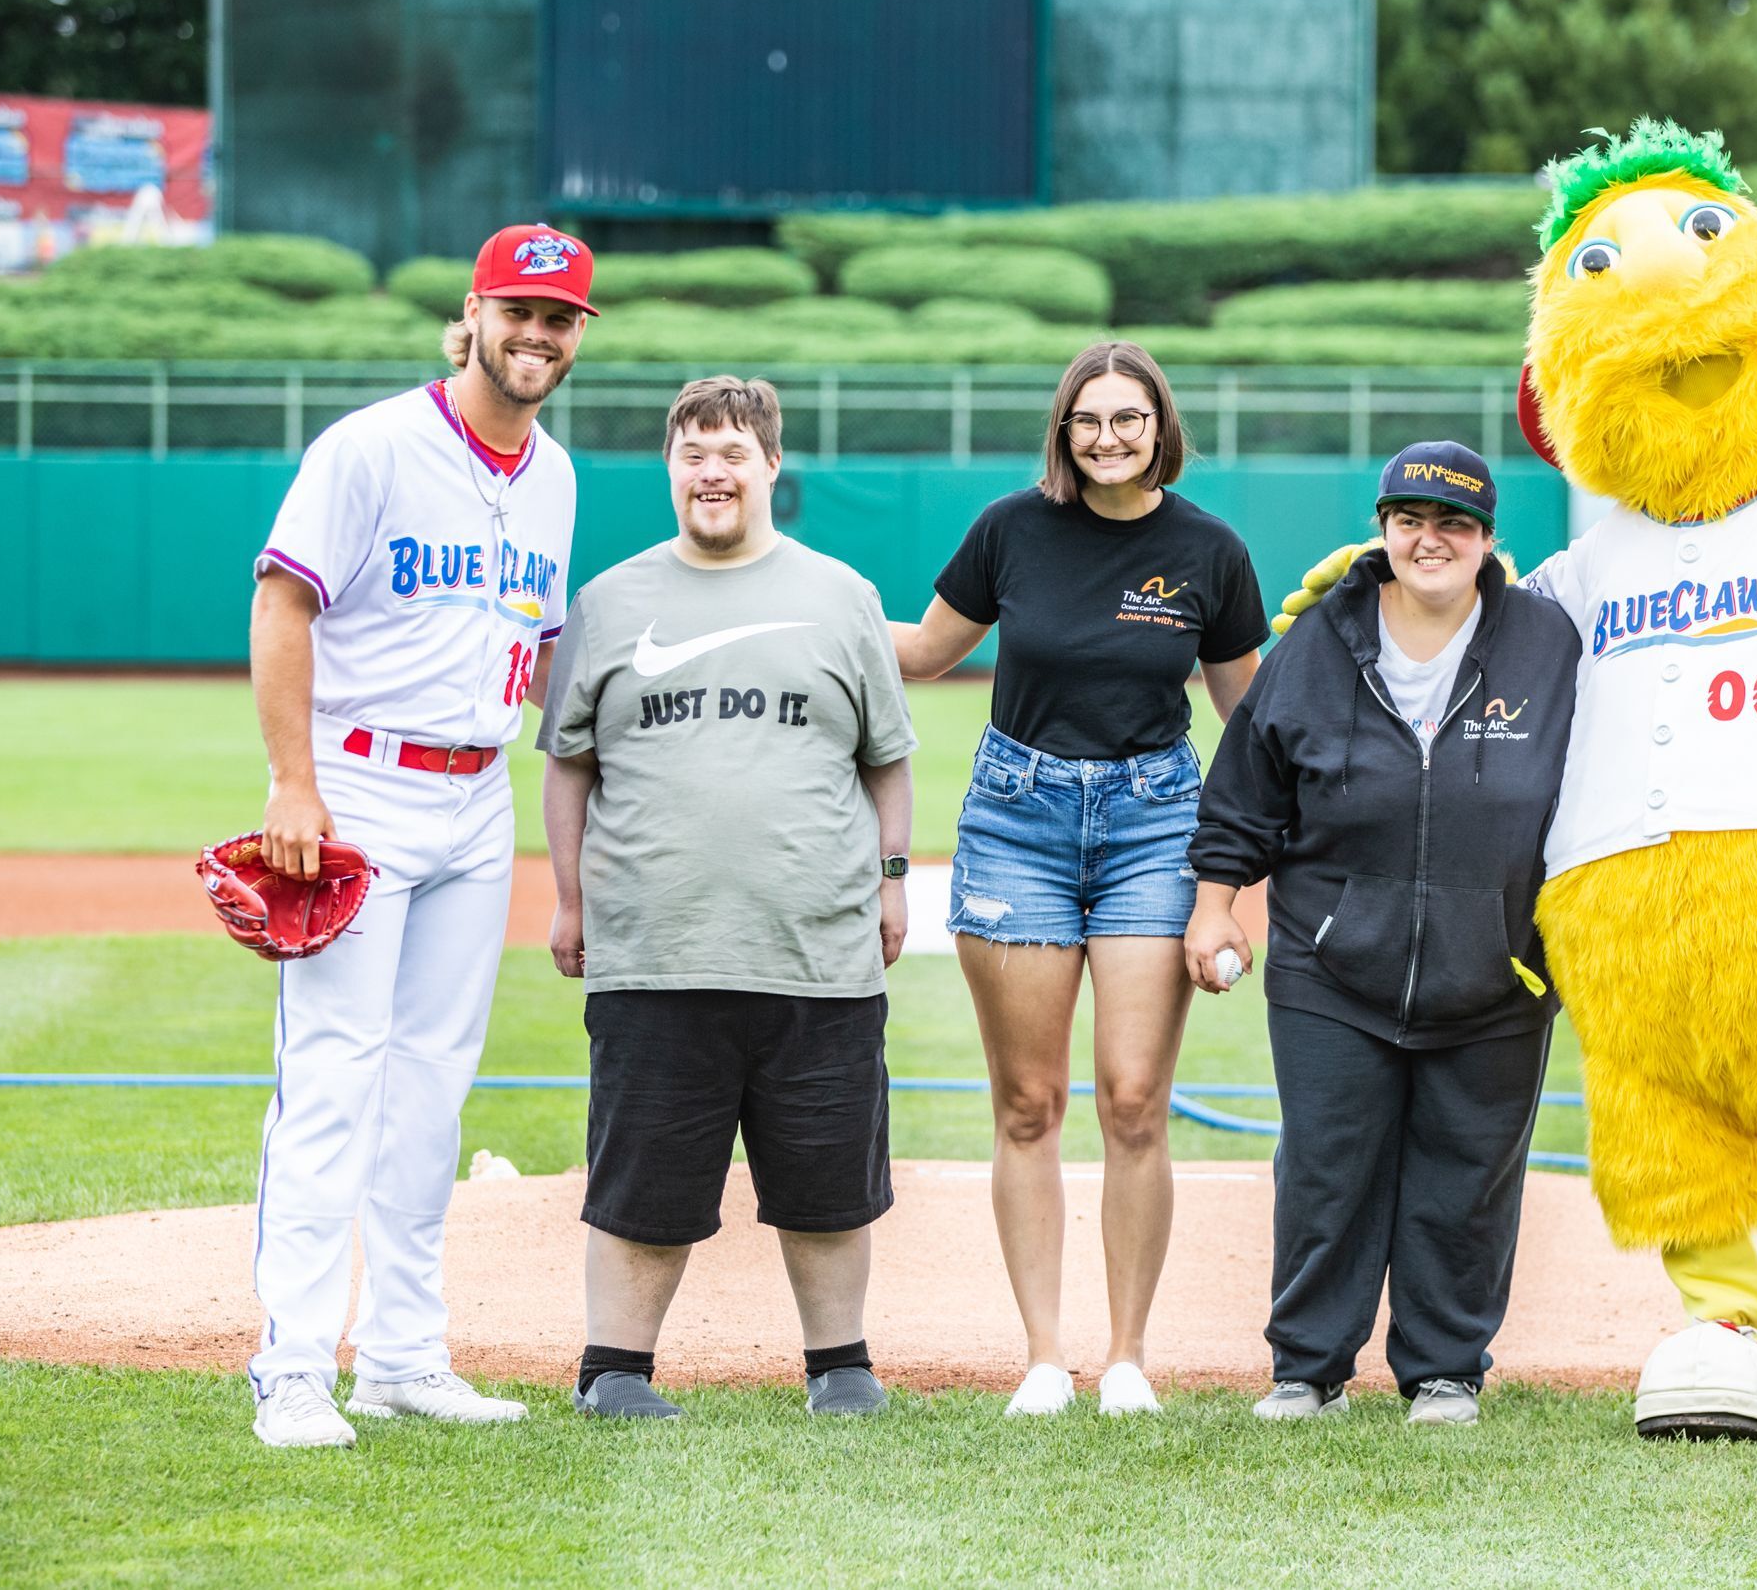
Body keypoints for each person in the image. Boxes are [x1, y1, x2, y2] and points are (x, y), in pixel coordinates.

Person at [245, 223, 596, 1449]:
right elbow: (282, 599)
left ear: (577, 335)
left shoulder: (553, 477)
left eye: (558, 319)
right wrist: (294, 781)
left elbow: (545, 661)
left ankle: (400, 1354)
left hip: (477, 791)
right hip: (360, 782)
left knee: (433, 1089)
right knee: (333, 1077)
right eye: (518, 311)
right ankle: (290, 1366)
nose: (535, 335)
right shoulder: (373, 445)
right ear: (474, 312)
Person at [888, 341, 1266, 1416]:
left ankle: (1130, 1358)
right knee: (1027, 1101)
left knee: (1135, 1098)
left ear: (1160, 428)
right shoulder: (1011, 528)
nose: (1107, 437)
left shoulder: (1209, 550)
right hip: (1018, 821)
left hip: (1155, 824)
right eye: (1087, 420)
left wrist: (1229, 882)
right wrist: (787, 607)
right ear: (1064, 429)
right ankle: (1045, 1356)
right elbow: (921, 650)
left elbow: (1250, 723)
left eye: (1127, 419)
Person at [539, 375, 917, 1421]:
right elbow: (567, 762)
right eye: (694, 452)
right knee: (643, 1174)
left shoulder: (840, 595)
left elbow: (888, 758)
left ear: (769, 468)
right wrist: (568, 898)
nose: (713, 470)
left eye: (733, 452)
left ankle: (839, 1363)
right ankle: (614, 1368)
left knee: (830, 1177)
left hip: (816, 946)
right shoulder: (610, 601)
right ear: (671, 468)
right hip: (656, 946)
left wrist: (891, 882)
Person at [1183, 442, 1580, 1425]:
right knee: (1326, 1164)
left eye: (1451, 522)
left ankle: (1444, 1368)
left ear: (1487, 540)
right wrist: (1215, 902)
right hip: (1330, 960)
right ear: (1384, 528)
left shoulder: (1547, 642)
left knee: (1468, 1172)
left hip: (1499, 965)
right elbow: (1245, 788)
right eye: (1408, 518)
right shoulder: (1320, 641)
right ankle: (1306, 1367)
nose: (1427, 538)